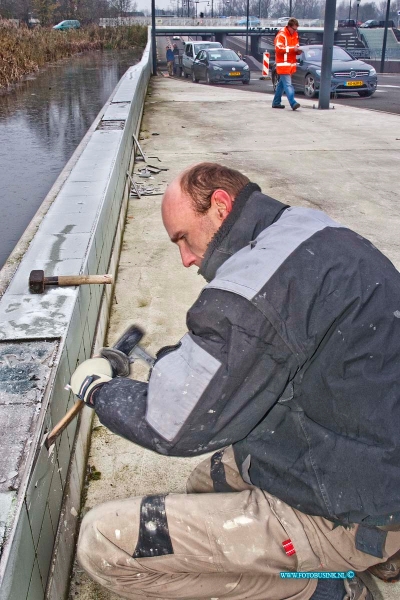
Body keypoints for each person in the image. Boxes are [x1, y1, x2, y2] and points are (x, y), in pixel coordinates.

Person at [73, 163, 400, 600]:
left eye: (183, 239)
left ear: (221, 206)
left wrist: (98, 389)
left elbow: (176, 425)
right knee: (205, 484)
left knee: (103, 543)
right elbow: (244, 351)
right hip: (367, 453)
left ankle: (326, 587)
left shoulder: (255, 288)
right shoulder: (303, 231)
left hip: (356, 507)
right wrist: (172, 364)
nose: (186, 259)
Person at [272, 17, 302, 110]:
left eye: (296, 29)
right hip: (283, 65)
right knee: (288, 85)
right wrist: (294, 49)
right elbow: (278, 49)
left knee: (282, 85)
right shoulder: (281, 35)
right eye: (294, 29)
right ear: (289, 27)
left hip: (289, 64)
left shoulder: (295, 34)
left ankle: (276, 102)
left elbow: (295, 47)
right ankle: (293, 103)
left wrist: (298, 51)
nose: (295, 31)